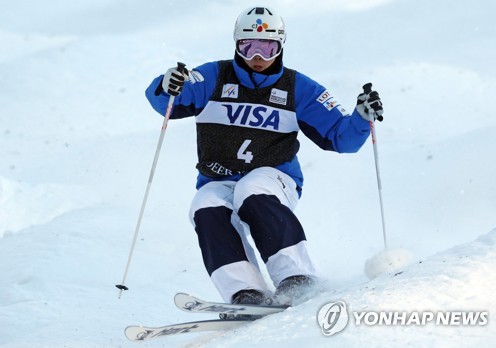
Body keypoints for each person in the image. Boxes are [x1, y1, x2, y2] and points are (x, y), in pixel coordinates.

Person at [145, 6, 384, 306]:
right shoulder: (213, 77)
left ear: (280, 47)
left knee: (251, 189)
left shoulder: (299, 88)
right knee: (204, 204)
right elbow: (167, 98)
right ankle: (246, 292)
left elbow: (341, 137)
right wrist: (166, 85)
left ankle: (297, 278)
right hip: (219, 177)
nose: (257, 57)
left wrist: (362, 118)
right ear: (236, 45)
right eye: (248, 47)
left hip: (274, 177)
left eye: (267, 47)